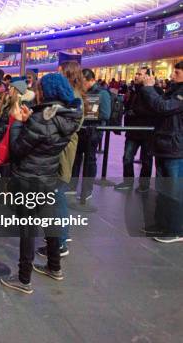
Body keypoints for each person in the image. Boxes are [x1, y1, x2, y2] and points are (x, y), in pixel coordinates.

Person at [0, 73, 82, 294]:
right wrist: (30, 121)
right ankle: (54, 266)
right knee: (50, 222)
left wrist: (18, 123)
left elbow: (18, 149)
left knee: (28, 229)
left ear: (46, 92)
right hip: (49, 176)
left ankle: (24, 279)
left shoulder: (41, 119)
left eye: (39, 88)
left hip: (29, 177)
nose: (37, 91)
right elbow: (45, 137)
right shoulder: (69, 117)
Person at [37, 61, 85, 257]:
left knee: (57, 196)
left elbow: (66, 126)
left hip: (62, 153)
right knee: (56, 196)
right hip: (62, 150)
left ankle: (60, 241)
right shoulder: (73, 97)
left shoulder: (72, 100)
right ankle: (59, 237)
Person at [139, 61, 183, 243]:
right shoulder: (173, 91)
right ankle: (162, 224)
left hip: (176, 147)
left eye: (177, 72)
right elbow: (157, 106)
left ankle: (175, 229)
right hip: (165, 145)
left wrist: (150, 89)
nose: (173, 75)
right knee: (163, 188)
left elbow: (164, 107)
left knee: (174, 190)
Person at [114, 67, 162, 193]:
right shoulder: (133, 90)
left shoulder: (156, 91)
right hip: (133, 131)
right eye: (136, 74)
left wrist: (136, 112)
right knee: (127, 157)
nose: (136, 76)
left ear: (148, 76)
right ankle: (128, 182)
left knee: (147, 160)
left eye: (139, 74)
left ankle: (144, 185)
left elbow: (157, 109)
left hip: (148, 132)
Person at [68, 68, 111, 205]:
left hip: (93, 132)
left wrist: (90, 111)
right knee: (76, 158)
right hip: (81, 130)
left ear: (90, 80)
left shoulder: (102, 93)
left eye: (83, 81)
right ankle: (72, 186)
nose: (81, 84)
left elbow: (105, 114)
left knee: (90, 160)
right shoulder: (83, 92)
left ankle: (87, 190)